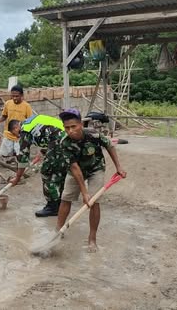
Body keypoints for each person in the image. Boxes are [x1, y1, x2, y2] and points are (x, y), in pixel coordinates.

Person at [55, 108, 127, 252]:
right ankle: (57, 231)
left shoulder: (93, 134)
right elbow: (75, 168)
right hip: (76, 171)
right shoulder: (64, 143)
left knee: (94, 201)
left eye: (73, 126)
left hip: (96, 168)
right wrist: (84, 192)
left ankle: (92, 238)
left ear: (81, 124)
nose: (70, 131)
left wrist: (118, 167)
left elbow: (109, 146)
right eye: (67, 128)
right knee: (66, 198)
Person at [9, 114, 67, 217]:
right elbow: (48, 131)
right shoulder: (32, 120)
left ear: (16, 127)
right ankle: (61, 201)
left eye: (15, 134)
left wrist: (17, 178)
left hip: (58, 141)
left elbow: (23, 158)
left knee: (46, 171)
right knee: (60, 169)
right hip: (67, 135)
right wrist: (43, 152)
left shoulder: (24, 130)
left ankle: (53, 207)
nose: (17, 136)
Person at [0, 85, 33, 159]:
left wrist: (24, 134)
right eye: (13, 96)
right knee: (4, 154)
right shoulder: (8, 103)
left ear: (22, 95)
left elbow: (30, 122)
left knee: (20, 156)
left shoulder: (27, 106)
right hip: (8, 135)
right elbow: (4, 116)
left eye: (17, 96)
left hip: (20, 137)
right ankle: (12, 161)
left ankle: (17, 163)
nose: (14, 98)